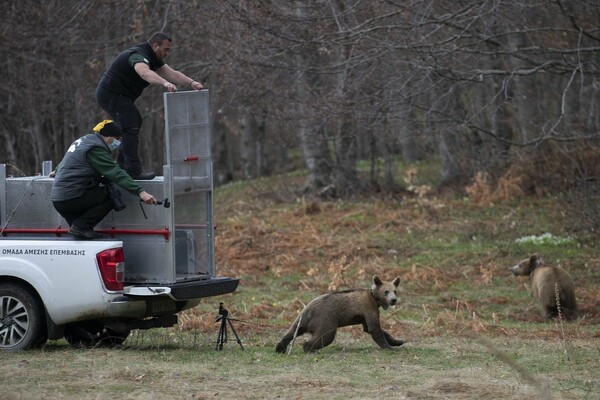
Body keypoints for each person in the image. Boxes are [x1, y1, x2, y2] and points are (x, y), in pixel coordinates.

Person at [96, 32, 204, 180]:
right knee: (131, 125)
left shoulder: (153, 57)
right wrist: (164, 83)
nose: (167, 53)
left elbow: (171, 73)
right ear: (155, 45)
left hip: (120, 96)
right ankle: (133, 171)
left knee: (134, 123)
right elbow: (144, 73)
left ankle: (121, 166)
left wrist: (192, 82)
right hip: (110, 94)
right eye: (165, 49)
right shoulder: (138, 55)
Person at [51, 120, 157, 239]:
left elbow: (69, 159)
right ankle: (81, 226)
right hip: (72, 198)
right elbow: (115, 172)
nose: (118, 142)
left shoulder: (84, 141)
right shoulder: (96, 149)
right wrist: (141, 192)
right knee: (111, 196)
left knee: (81, 237)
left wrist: (56, 170)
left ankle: (81, 228)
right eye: (116, 138)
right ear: (106, 136)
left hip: (59, 199)